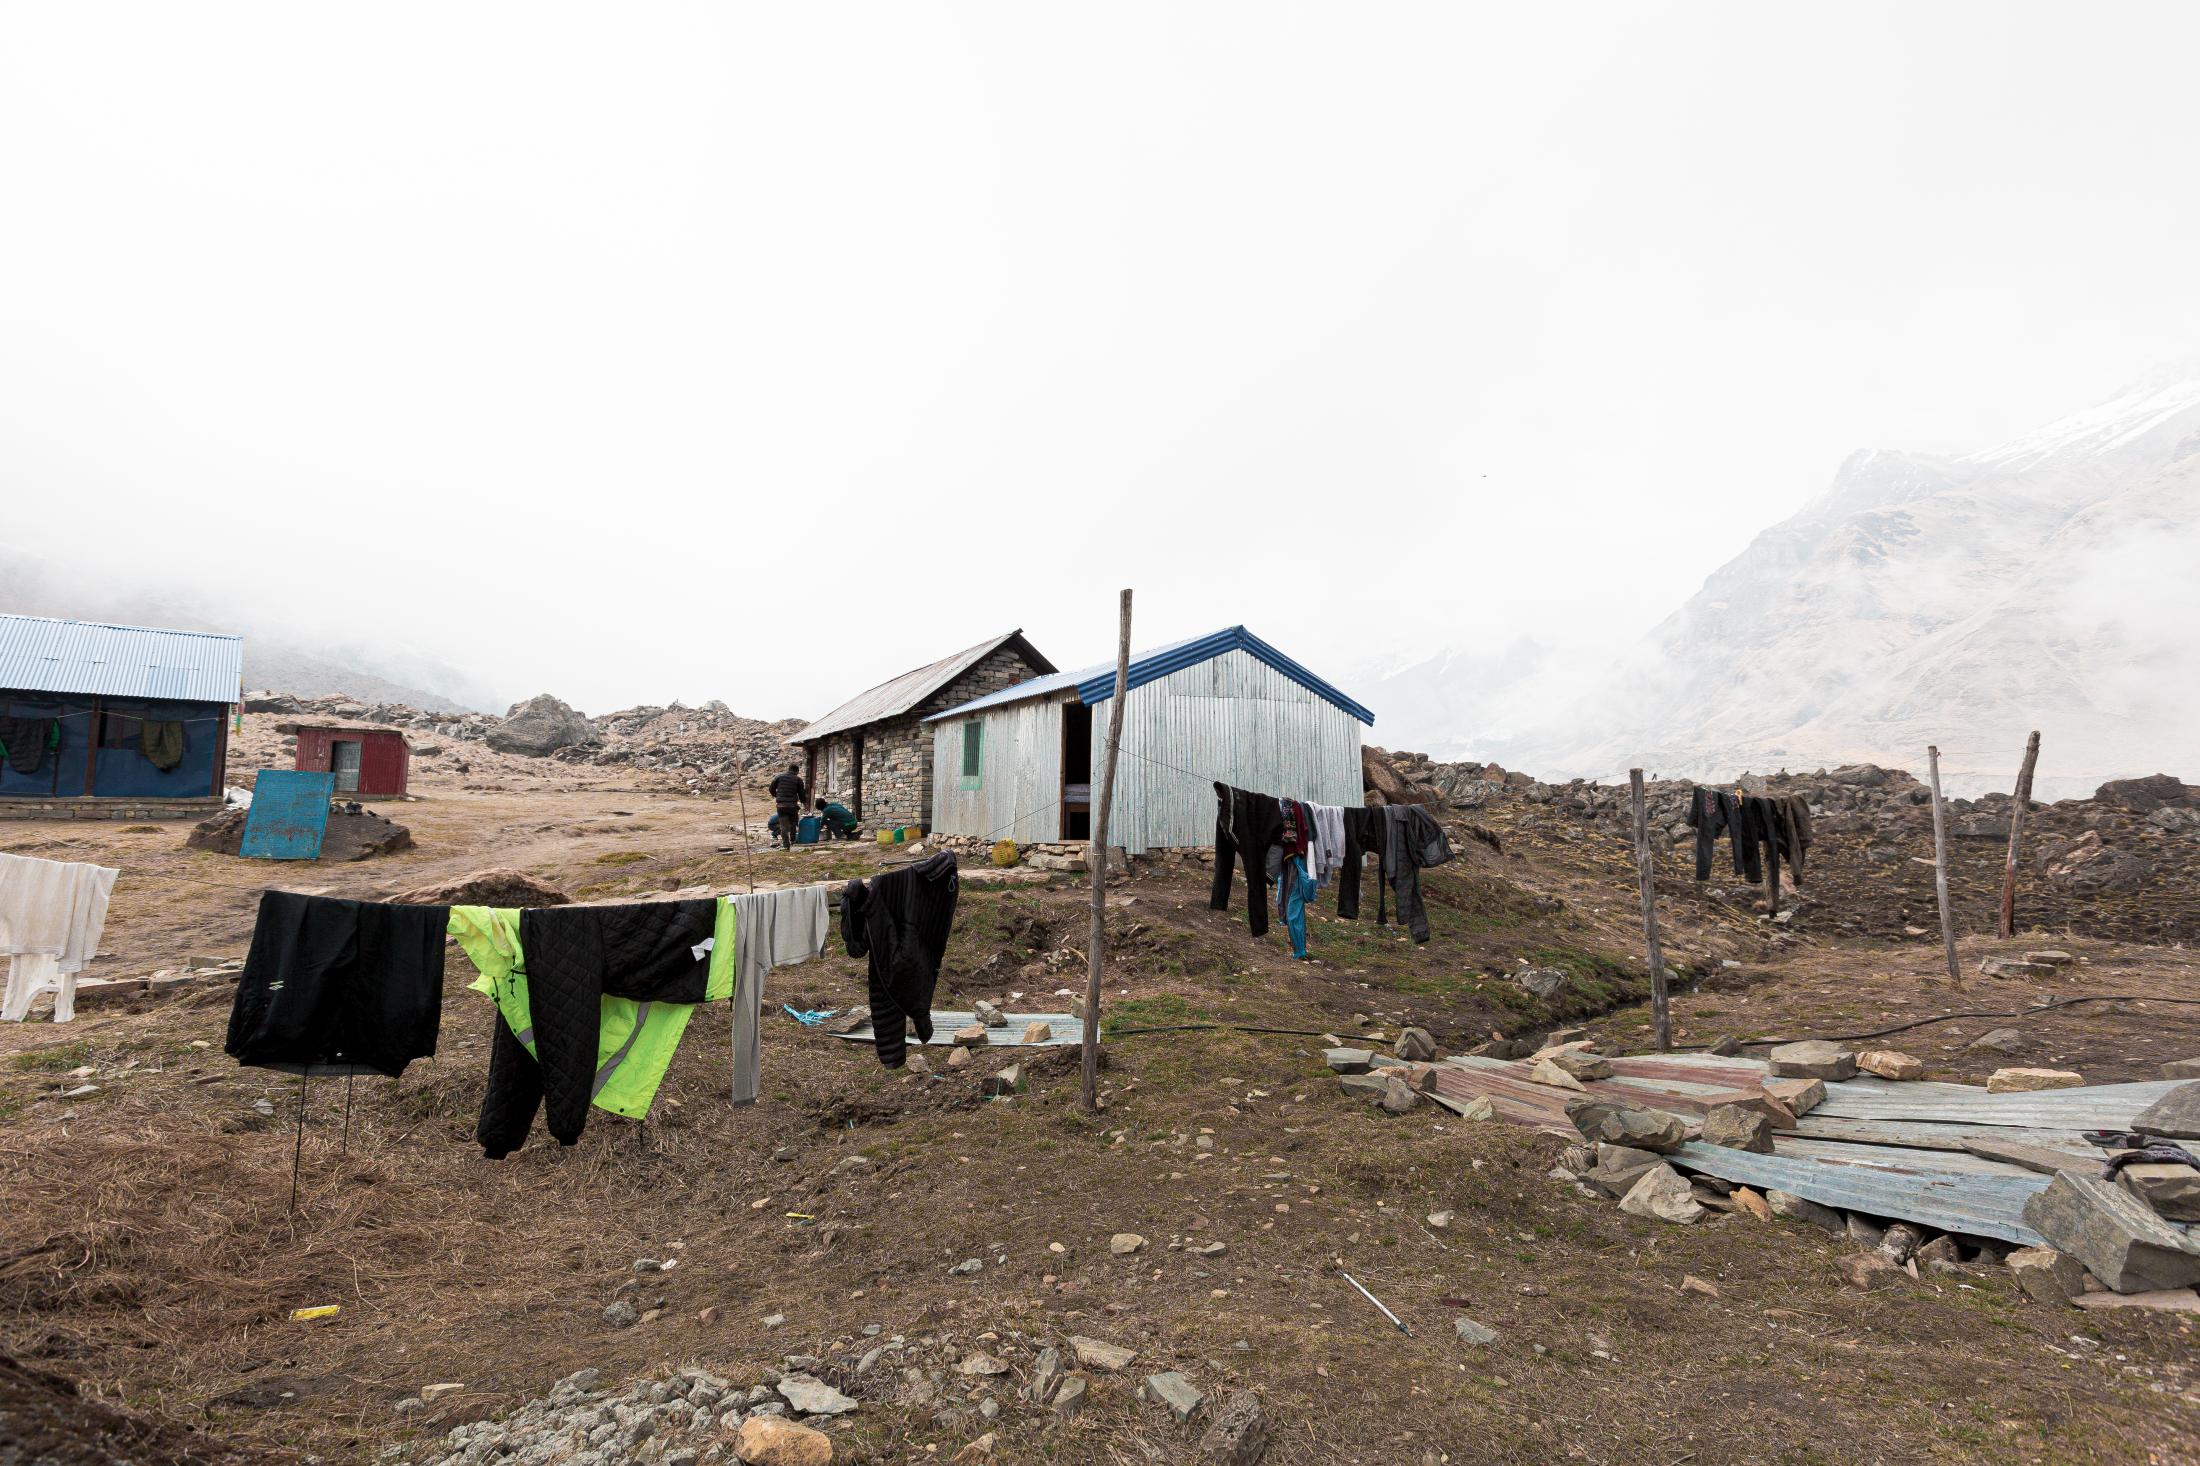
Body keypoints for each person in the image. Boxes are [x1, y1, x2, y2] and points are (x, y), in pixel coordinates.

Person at [768, 762, 807, 851]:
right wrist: (804, 802)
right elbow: (801, 794)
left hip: (781, 806)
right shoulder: (798, 780)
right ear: (797, 771)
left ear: (788, 769)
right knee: (793, 824)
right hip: (793, 805)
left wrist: (776, 795)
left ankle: (786, 845)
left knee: (783, 826)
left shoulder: (779, 777)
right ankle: (793, 841)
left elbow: (771, 788)